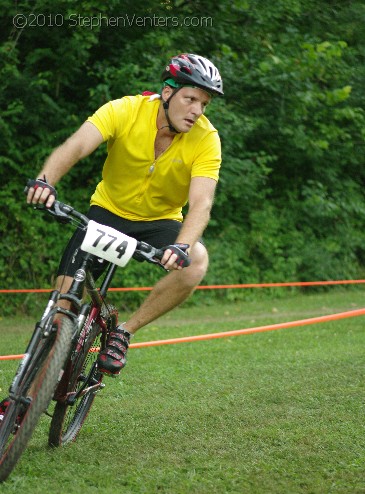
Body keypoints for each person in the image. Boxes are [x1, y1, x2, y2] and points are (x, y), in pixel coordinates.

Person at [26, 53, 224, 377]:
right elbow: (76, 145)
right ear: (168, 92)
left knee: (197, 260)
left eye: (204, 103)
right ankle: (28, 393)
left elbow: (201, 203)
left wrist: (182, 246)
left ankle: (124, 333)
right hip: (106, 212)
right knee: (61, 310)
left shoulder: (206, 138)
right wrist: (45, 181)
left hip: (160, 221)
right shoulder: (126, 110)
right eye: (190, 99)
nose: (197, 111)